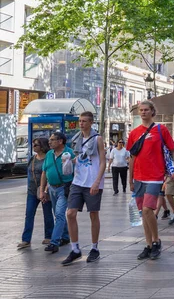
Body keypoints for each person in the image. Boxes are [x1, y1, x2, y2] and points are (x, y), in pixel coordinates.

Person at [127, 100, 174, 260]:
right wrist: (130, 180)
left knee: (147, 210)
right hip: (138, 177)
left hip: (155, 177)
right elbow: (132, 158)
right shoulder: (134, 133)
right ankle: (148, 244)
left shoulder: (160, 129)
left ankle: (156, 241)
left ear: (152, 112)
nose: (143, 112)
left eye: (146, 110)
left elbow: (173, 149)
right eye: (140, 110)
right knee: (144, 214)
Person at [62, 111, 106, 265]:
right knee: (70, 213)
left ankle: (94, 248)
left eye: (84, 121)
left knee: (93, 214)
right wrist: (70, 160)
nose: (81, 124)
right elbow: (81, 157)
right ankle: (75, 249)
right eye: (80, 121)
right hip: (78, 181)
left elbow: (102, 162)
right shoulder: (77, 139)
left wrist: (97, 181)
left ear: (91, 122)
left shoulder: (97, 139)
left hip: (92, 182)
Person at [40, 131, 75, 254]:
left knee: (59, 214)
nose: (49, 142)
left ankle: (54, 242)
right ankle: (65, 237)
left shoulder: (69, 153)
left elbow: (76, 170)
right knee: (58, 214)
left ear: (60, 141)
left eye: (52, 140)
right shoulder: (49, 154)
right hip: (52, 188)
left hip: (64, 188)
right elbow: (44, 172)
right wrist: (42, 191)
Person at [17, 137, 54, 249]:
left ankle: (49, 236)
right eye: (33, 145)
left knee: (47, 214)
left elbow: (49, 174)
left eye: (36, 145)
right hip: (32, 191)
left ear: (42, 146)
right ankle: (26, 239)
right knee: (29, 214)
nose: (33, 147)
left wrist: (45, 189)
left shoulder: (48, 158)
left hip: (45, 190)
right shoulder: (33, 158)